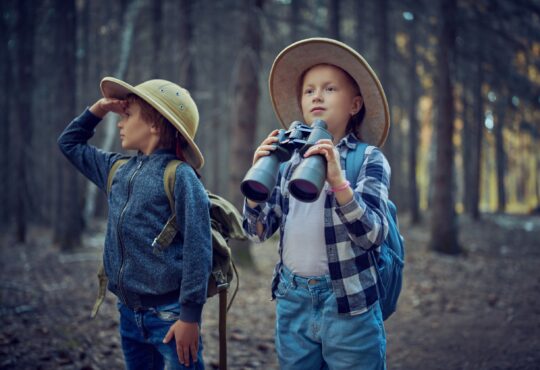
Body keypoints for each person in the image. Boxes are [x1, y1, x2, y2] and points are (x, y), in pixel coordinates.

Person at [243, 38, 392, 369]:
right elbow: (257, 232)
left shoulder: (369, 159)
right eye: (309, 90)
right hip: (292, 299)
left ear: (355, 105)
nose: (317, 96)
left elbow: (372, 236)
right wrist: (256, 191)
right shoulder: (288, 159)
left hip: (348, 303)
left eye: (329, 89)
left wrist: (339, 184)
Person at [58, 77, 212, 370]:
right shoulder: (116, 169)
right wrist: (99, 109)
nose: (119, 122)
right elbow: (69, 143)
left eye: (128, 115)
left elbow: (198, 246)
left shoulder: (180, 176)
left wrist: (190, 317)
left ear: (154, 125)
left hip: (171, 316)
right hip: (129, 314)